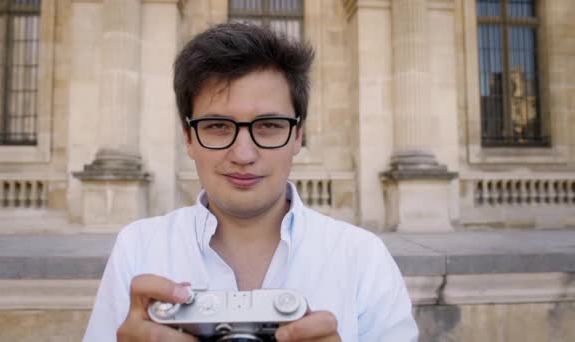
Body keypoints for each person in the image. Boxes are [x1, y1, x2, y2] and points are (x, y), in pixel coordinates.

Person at [83, 22, 418, 342]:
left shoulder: (362, 258)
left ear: (297, 135)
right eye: (217, 126)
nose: (243, 154)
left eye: (269, 125)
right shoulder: (138, 249)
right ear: (188, 138)